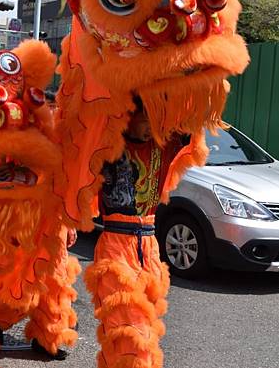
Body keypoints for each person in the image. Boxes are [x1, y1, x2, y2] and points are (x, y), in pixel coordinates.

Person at [89, 96, 185, 368]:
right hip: (115, 247)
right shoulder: (107, 147)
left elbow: (191, 114)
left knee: (144, 327)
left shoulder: (164, 145)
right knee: (128, 328)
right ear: (128, 116)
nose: (150, 125)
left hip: (150, 249)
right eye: (145, 117)